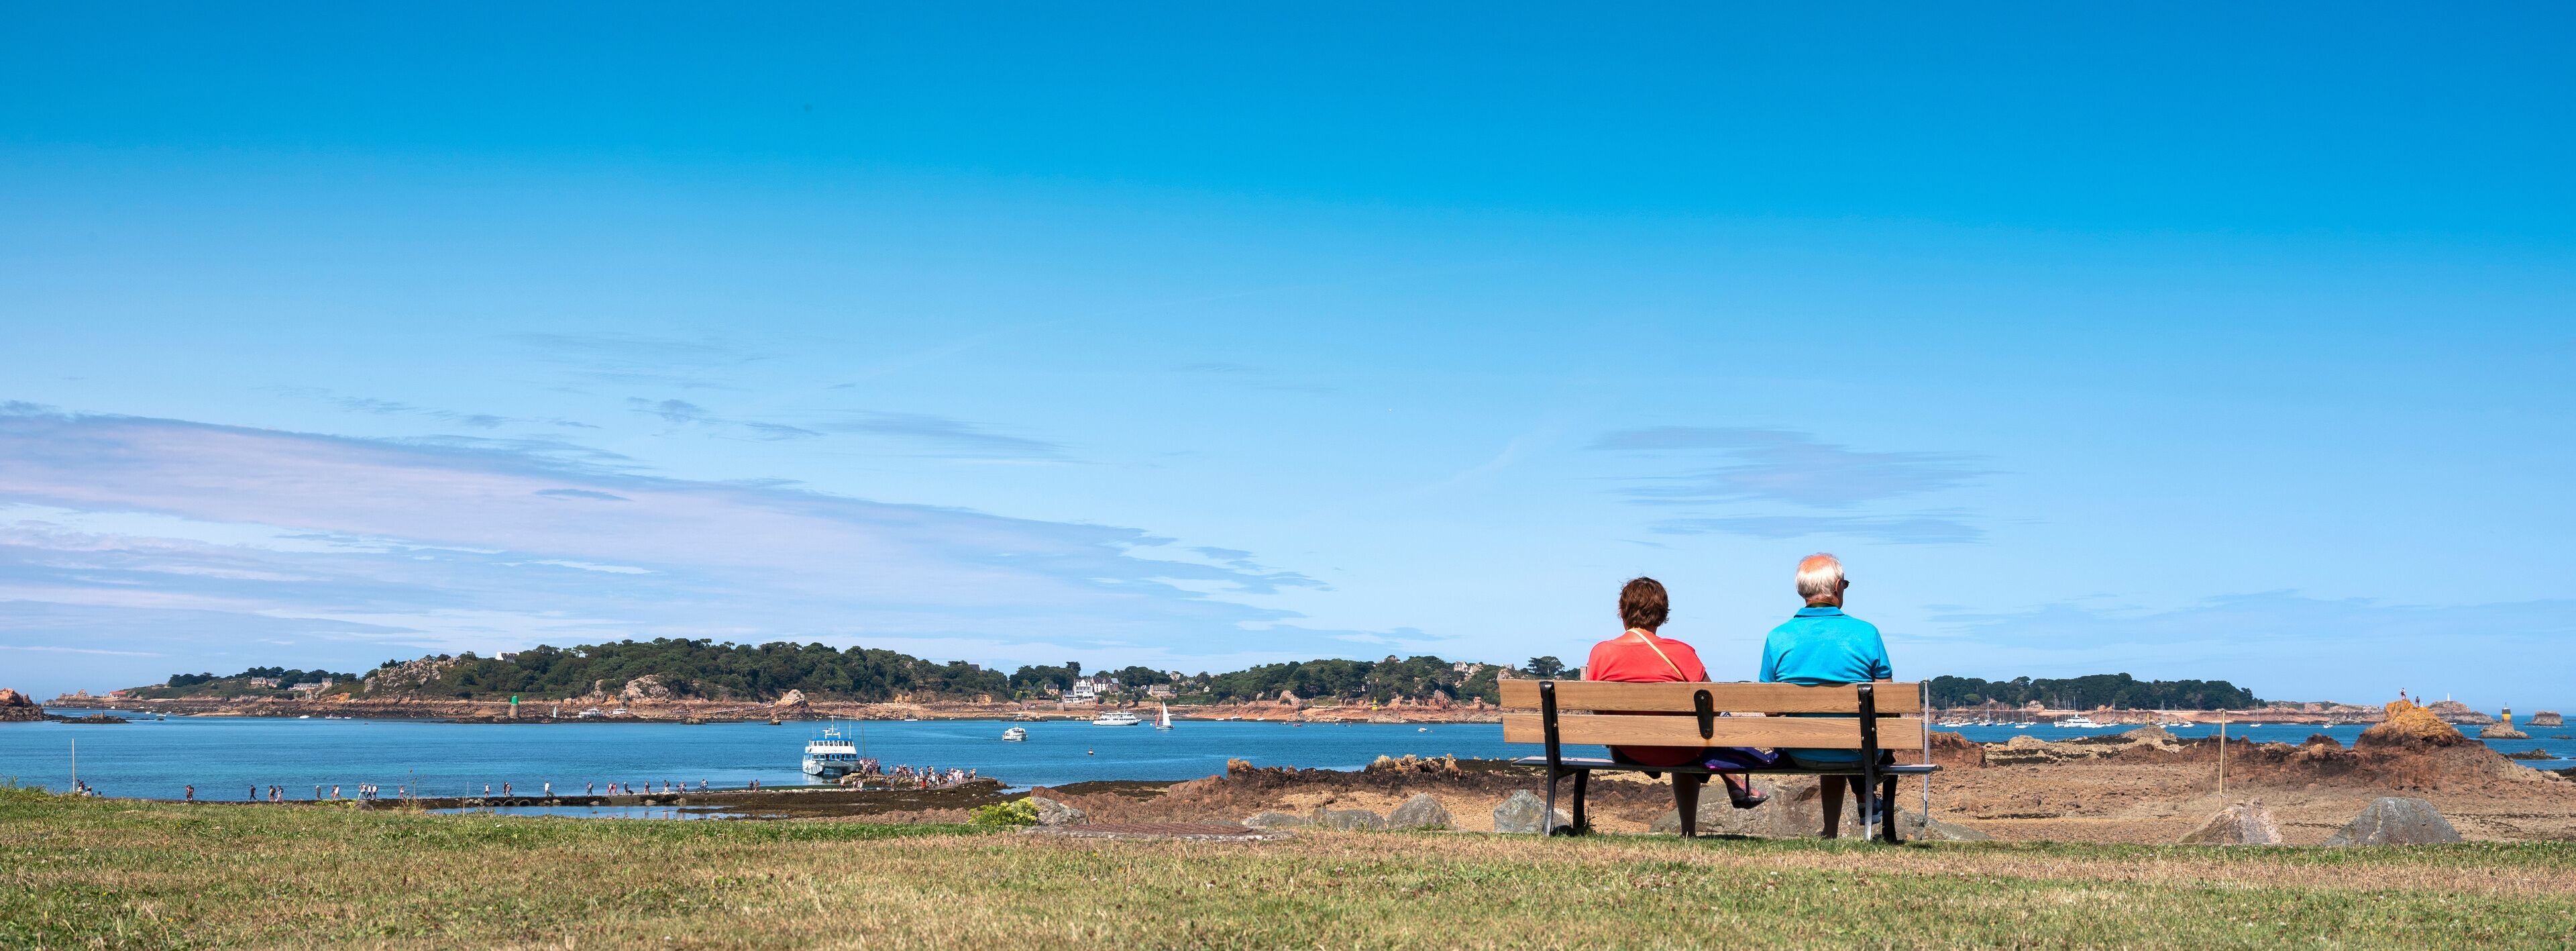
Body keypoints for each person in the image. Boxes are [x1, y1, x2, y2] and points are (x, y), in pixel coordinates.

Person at [1582, 577, 1765, 836]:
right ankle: (1690, 829)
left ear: (1622, 613)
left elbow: (1598, 711)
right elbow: (1713, 704)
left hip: (1627, 750)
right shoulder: (1681, 652)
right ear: (1662, 616)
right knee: (1687, 735)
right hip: (1681, 751)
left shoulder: (1601, 653)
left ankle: (1725, 785)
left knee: (1683, 736)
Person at [1758, 553, 1893, 839]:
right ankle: (1867, 799)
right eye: (1844, 583)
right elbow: (1888, 703)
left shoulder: (1777, 637)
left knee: (1828, 735)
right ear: (1836, 587)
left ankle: (1830, 832)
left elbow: (1769, 711)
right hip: (1858, 752)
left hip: (1800, 751)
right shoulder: (1867, 634)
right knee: (1854, 737)